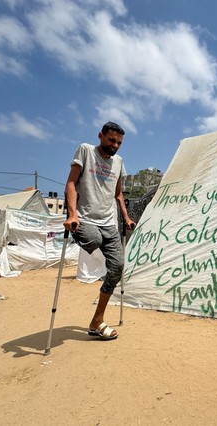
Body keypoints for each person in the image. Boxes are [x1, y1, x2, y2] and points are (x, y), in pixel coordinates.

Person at [64, 121, 135, 340]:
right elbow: (71, 183)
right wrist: (72, 215)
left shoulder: (119, 162)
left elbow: (118, 194)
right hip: (85, 219)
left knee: (117, 267)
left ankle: (97, 320)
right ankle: (78, 231)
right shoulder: (86, 150)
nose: (115, 145)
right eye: (112, 140)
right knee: (92, 239)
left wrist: (125, 217)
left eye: (119, 143)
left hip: (109, 223)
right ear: (101, 136)